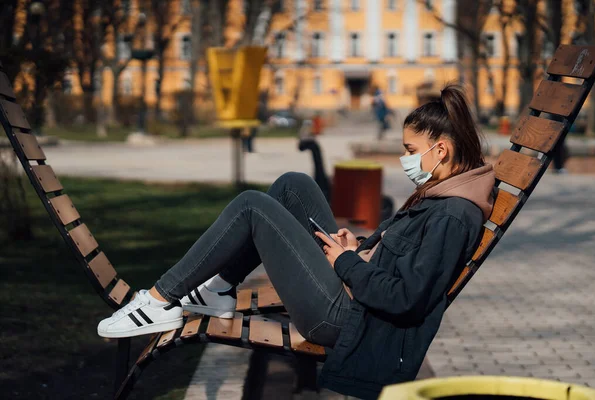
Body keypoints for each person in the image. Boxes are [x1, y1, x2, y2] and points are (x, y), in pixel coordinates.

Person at [97, 84, 495, 399]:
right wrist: (357, 248)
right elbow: (399, 260)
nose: (404, 159)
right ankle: (218, 289)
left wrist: (345, 263)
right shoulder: (446, 194)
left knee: (251, 206)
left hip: (344, 320)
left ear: (440, 150)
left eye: (410, 151)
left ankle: (159, 300)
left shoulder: (452, 215)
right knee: (293, 185)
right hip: (352, 295)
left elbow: (405, 298)